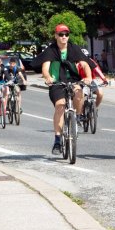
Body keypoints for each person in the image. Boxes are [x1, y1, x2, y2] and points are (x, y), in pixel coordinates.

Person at [31, 24, 92, 155]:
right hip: (57, 82)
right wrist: (48, 77)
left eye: (66, 34)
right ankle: (57, 140)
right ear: (56, 36)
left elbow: (84, 63)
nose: (64, 37)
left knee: (79, 93)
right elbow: (45, 67)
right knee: (60, 106)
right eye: (61, 34)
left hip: (73, 79)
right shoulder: (51, 50)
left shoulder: (74, 48)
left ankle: (77, 117)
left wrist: (88, 77)